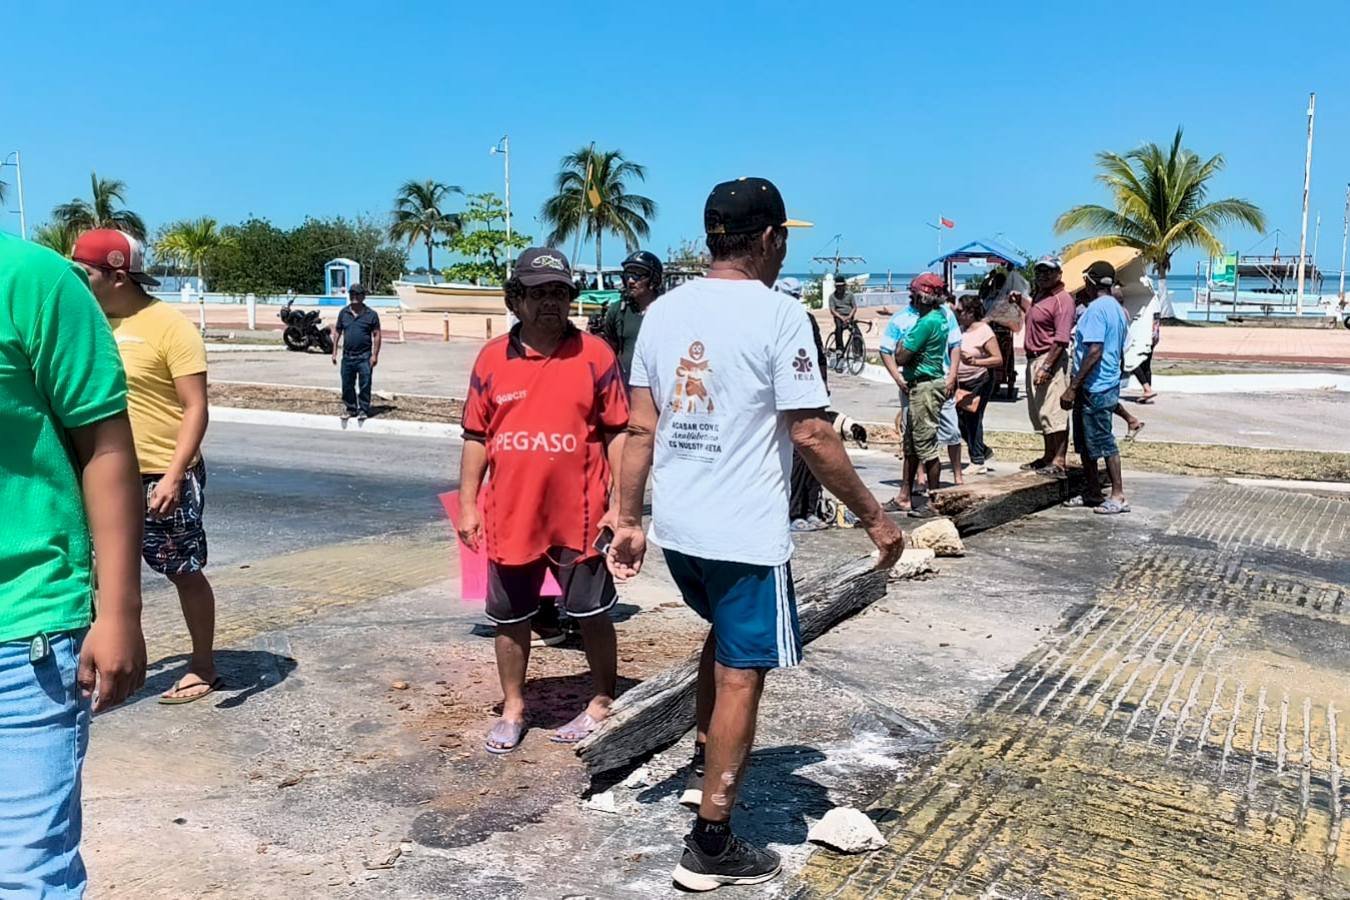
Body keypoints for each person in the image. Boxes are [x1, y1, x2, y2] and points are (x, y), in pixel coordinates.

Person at [608, 177, 904, 891]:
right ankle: (711, 842)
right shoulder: (780, 316)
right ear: (771, 238)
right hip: (744, 534)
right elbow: (809, 431)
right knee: (744, 671)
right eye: (785, 237)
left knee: (721, 639)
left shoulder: (664, 312)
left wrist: (627, 517)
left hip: (683, 532)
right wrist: (875, 516)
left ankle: (705, 759)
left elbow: (640, 428)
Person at [0, 232, 146, 896]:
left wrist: (119, 612)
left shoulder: (31, 279)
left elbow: (106, 445)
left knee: (28, 871)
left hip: (25, 630)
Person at [457, 248, 629, 754]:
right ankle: (513, 708)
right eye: (538, 293)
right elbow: (475, 436)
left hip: (580, 514)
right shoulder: (491, 358)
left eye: (559, 292)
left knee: (592, 612)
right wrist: (468, 504)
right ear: (515, 300)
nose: (551, 303)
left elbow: (619, 432)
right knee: (509, 618)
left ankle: (601, 698)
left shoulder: (596, 354)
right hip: (511, 512)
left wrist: (621, 504)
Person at [74, 229, 220, 705]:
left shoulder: (168, 326)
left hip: (161, 472)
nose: (76, 279)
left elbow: (195, 407)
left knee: (181, 568)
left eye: (85, 272)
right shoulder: (86, 322)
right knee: (96, 571)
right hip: (101, 470)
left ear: (118, 275)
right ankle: (97, 657)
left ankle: (202, 665)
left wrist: (176, 475)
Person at [879, 275, 962, 510]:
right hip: (923, 384)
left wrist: (902, 350)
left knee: (926, 444)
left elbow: (900, 355)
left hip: (925, 386)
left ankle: (933, 501)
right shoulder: (941, 316)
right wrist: (898, 377)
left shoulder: (926, 322)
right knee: (913, 443)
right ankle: (906, 495)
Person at [1062, 261, 1130, 515]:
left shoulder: (1096, 310)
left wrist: (1073, 386)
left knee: (1103, 441)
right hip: (1105, 382)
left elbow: (1094, 351)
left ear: (1090, 282)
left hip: (1095, 386)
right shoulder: (1117, 308)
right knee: (1085, 442)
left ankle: (1118, 495)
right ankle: (1092, 491)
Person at [1010, 256, 1075, 478]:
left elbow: (1061, 339)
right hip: (1033, 359)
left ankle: (1059, 460)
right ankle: (1048, 456)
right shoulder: (1040, 296)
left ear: (1059, 274)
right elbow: (1036, 314)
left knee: (1054, 412)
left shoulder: (1062, 300)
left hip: (1050, 359)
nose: (1043, 275)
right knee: (1040, 413)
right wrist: (1021, 301)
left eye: (1048, 271)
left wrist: (1047, 367)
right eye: (1039, 271)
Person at [776, 278, 831, 531]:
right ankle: (795, 511)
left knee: (812, 453)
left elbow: (819, 356)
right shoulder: (773, 318)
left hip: (808, 392)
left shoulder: (805, 319)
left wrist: (822, 391)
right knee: (797, 455)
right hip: (783, 397)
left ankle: (810, 509)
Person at [955, 295, 1003, 473]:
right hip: (961, 381)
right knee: (957, 420)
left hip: (980, 379)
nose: (957, 314)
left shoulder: (984, 331)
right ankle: (982, 449)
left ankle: (977, 460)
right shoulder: (960, 329)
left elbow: (998, 359)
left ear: (970, 312)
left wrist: (975, 362)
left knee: (973, 418)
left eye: (960, 311)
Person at [602, 250, 663, 386]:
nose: (631, 281)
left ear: (653, 280)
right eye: (628, 274)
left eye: (638, 275)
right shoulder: (617, 310)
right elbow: (610, 352)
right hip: (626, 388)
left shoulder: (667, 311)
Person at [332, 283, 381, 422]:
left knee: (365, 384)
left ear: (363, 296)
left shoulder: (371, 314)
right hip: (347, 356)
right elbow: (337, 332)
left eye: (357, 294)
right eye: (352, 294)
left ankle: (363, 409)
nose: (354, 297)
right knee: (347, 384)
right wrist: (334, 351)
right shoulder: (344, 313)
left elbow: (377, 334)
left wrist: (375, 355)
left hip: (364, 356)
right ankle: (351, 408)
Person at [827, 277, 856, 352]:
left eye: (841, 286)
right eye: (837, 286)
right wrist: (841, 317)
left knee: (856, 332)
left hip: (849, 315)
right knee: (839, 328)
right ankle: (839, 348)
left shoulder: (850, 295)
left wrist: (849, 316)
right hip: (838, 316)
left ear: (844, 286)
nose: (839, 288)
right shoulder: (832, 296)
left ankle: (858, 352)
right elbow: (832, 310)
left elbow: (854, 307)